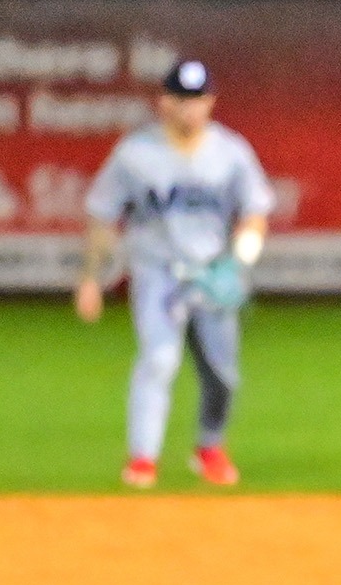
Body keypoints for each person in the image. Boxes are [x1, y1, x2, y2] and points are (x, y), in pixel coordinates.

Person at [74, 59, 274, 489]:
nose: (190, 110)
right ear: (164, 103)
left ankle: (209, 447)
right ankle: (143, 458)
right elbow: (102, 215)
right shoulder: (136, 154)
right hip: (157, 273)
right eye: (182, 100)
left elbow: (255, 211)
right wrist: (91, 277)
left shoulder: (231, 152)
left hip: (213, 272)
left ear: (211, 103)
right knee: (159, 359)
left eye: (198, 100)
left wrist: (240, 260)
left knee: (223, 374)